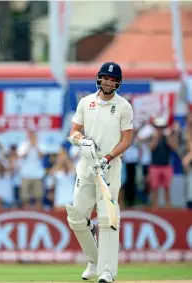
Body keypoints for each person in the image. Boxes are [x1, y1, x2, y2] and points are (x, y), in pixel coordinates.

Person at [65, 62, 134, 282]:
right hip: (87, 166)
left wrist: (108, 157)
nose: (108, 82)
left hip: (109, 168)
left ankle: (107, 271)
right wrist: (82, 141)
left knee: (107, 218)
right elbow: (74, 132)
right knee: (77, 217)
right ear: (99, 79)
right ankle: (94, 261)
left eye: (112, 80)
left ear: (118, 83)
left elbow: (127, 140)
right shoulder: (86, 102)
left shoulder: (123, 106)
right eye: (105, 78)